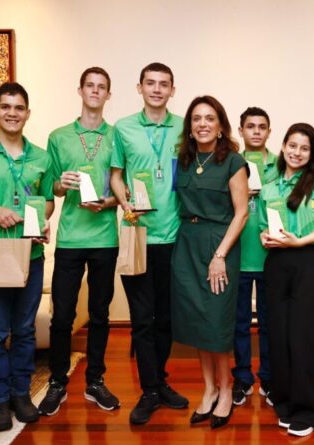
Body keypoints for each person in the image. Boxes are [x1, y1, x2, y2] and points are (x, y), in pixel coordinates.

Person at [38, 67, 121, 416]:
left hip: (105, 237)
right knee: (63, 316)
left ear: (108, 95)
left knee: (100, 314)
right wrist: (62, 184)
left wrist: (110, 202)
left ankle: (95, 382)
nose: (95, 92)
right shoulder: (58, 137)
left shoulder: (119, 136)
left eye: (102, 87)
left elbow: (123, 189)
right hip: (70, 237)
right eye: (90, 86)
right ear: (80, 90)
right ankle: (58, 382)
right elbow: (50, 188)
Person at [110, 62, 189, 425]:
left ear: (173, 90)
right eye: (150, 83)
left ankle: (158, 383)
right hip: (138, 234)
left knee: (167, 318)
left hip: (175, 237)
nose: (157, 89)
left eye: (164, 84)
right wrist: (125, 203)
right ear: (139, 87)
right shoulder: (123, 128)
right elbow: (115, 176)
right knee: (142, 319)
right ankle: (150, 390)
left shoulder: (184, 127)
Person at [0, 82, 55, 431]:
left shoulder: (41, 156)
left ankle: (21, 393)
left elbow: (49, 199)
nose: (12, 113)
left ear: (27, 113)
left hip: (30, 254)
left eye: (18, 107)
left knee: (23, 330)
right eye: (5, 106)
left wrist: (41, 220)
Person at [171, 96, 249, 429]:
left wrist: (220, 256)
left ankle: (226, 389)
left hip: (220, 245)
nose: (203, 124)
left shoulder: (233, 161)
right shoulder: (183, 160)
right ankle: (208, 390)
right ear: (190, 126)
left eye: (210, 118)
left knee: (217, 322)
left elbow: (242, 212)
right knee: (198, 323)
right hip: (186, 245)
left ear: (220, 126)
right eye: (197, 119)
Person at [259, 123, 314, 437]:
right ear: (283, 146)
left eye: (304, 148)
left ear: (312, 153)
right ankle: (285, 403)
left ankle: (308, 411)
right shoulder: (270, 185)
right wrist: (265, 235)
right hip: (277, 263)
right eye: (292, 145)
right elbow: (265, 226)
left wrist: (301, 242)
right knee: (278, 336)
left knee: (303, 337)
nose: (297, 152)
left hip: (308, 261)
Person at [232, 106, 278, 406]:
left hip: (270, 255)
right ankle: (242, 379)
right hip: (238, 253)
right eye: (251, 126)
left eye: (262, 126)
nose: (257, 131)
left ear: (269, 132)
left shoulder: (281, 163)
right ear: (241, 131)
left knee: (269, 323)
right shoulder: (231, 163)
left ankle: (270, 379)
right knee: (238, 323)